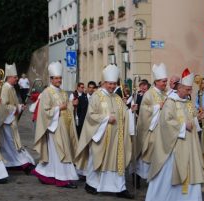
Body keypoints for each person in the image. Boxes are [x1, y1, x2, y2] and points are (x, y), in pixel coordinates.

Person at [75, 64, 137, 199]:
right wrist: (106, 118)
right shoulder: (97, 96)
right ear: (104, 82)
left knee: (116, 161)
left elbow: (123, 113)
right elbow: (91, 115)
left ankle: (120, 188)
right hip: (101, 136)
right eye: (109, 84)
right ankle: (91, 184)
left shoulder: (116, 97)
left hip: (117, 138)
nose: (112, 86)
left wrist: (130, 111)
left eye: (114, 84)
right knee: (97, 159)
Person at [145, 68, 204, 201]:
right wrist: (183, 126)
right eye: (188, 89)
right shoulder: (170, 102)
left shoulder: (188, 103)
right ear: (180, 87)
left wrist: (197, 118)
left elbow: (191, 119)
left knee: (190, 170)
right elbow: (166, 122)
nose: (190, 92)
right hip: (173, 147)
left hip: (188, 145)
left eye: (191, 90)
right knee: (168, 174)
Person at [32, 61, 79, 188]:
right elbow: (44, 112)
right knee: (60, 153)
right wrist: (59, 108)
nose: (59, 80)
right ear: (51, 79)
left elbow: (66, 107)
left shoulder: (63, 92)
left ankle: (45, 173)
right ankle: (62, 179)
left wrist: (72, 105)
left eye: (60, 78)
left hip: (65, 127)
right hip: (54, 128)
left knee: (56, 154)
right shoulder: (47, 92)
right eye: (56, 78)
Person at [0, 63, 35, 174]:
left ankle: (12, 163)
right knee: (12, 143)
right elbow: (3, 106)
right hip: (6, 122)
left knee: (10, 144)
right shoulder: (4, 88)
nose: (17, 79)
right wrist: (17, 107)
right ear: (9, 77)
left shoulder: (11, 88)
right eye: (15, 77)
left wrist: (19, 106)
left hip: (10, 121)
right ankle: (24, 164)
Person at [135, 63, 168, 184]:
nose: (165, 83)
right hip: (151, 130)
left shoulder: (165, 94)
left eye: (166, 81)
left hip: (163, 130)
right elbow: (143, 110)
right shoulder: (149, 94)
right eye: (164, 81)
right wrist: (157, 107)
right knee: (148, 154)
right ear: (157, 81)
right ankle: (141, 177)